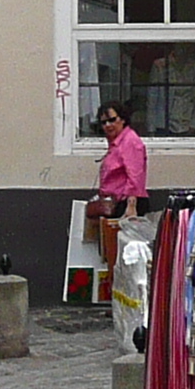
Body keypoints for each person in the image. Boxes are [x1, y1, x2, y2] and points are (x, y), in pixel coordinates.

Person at [86, 98, 149, 282]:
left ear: (123, 119)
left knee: (125, 258)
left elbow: (135, 175)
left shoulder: (130, 142)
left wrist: (131, 206)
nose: (108, 125)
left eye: (112, 120)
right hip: (115, 204)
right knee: (114, 256)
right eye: (104, 122)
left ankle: (126, 305)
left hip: (128, 204)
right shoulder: (116, 143)